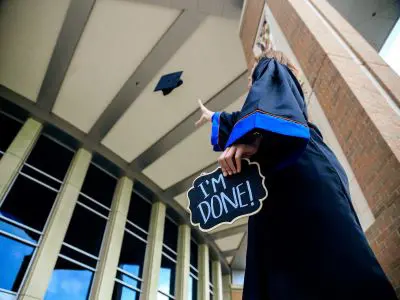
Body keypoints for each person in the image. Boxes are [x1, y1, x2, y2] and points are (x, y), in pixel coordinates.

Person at [195, 50, 397, 300]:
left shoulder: (271, 67)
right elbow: (248, 117)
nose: (252, 84)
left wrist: (255, 138)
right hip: (303, 169)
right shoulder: (285, 106)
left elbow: (262, 110)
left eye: (254, 79)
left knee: (319, 265)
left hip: (298, 168)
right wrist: (215, 117)